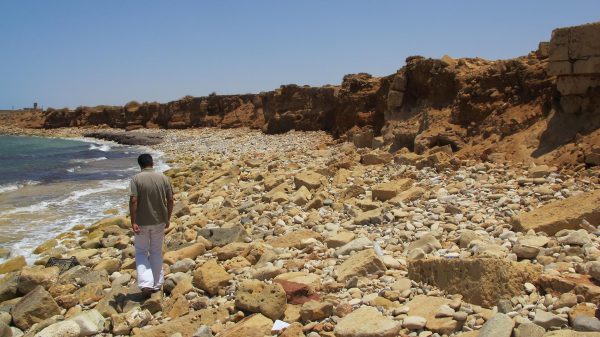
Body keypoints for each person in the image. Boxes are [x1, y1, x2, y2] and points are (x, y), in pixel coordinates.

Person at [129, 153, 173, 293]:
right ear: (152, 163)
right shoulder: (163, 178)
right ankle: (157, 282)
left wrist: (133, 221)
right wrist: (168, 218)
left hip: (142, 221)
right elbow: (171, 199)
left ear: (140, 165)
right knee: (156, 251)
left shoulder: (136, 179)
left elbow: (134, 200)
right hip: (160, 220)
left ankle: (146, 283)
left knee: (141, 251)